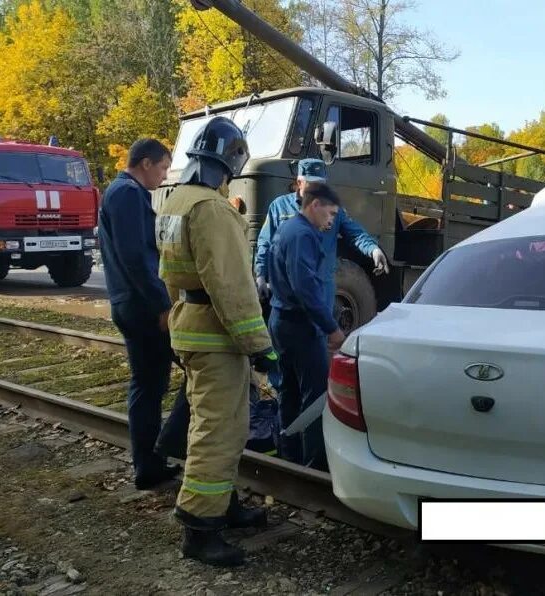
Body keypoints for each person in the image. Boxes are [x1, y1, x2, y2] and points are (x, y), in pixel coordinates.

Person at [156, 116, 279, 567]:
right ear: (230, 164)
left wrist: (176, 322)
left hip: (190, 327)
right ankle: (199, 527)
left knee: (212, 423)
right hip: (216, 336)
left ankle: (221, 503)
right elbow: (232, 287)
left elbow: (169, 276)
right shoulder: (213, 209)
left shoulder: (174, 202)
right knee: (218, 429)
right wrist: (260, 346)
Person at [98, 138, 187, 490]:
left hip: (130, 303)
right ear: (146, 163)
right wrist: (162, 306)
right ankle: (159, 453)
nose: (164, 177)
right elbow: (136, 258)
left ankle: (150, 461)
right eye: (163, 168)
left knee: (150, 386)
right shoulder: (127, 194)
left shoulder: (121, 193)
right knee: (197, 370)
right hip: (141, 306)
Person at [267, 182, 347, 472]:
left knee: (288, 389)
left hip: (281, 321)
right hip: (301, 326)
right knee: (315, 395)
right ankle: (314, 464)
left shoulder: (287, 229)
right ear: (315, 205)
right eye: (330, 213)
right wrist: (331, 327)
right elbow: (305, 287)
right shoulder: (303, 234)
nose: (331, 221)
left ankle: (289, 453)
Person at [253, 158, 389, 309]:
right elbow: (264, 243)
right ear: (299, 183)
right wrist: (260, 276)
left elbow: (355, 233)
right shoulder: (279, 207)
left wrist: (373, 249)